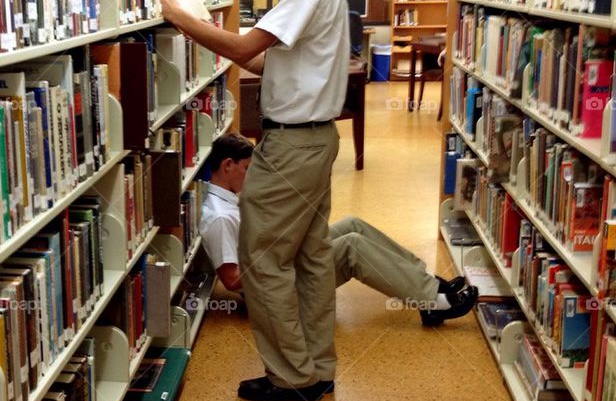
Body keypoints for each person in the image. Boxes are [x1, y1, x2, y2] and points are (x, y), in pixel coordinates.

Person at [162, 0, 348, 401]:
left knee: (261, 257)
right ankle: (316, 365)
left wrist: (181, 18)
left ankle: (293, 375)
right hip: (313, 139)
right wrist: (212, 31)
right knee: (310, 256)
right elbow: (263, 58)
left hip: (294, 146)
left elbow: (245, 43)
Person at [200, 134, 479, 326]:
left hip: (278, 269)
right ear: (227, 165)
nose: (254, 177)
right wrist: (277, 252)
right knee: (351, 246)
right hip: (273, 293)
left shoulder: (227, 201)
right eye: (248, 169)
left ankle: (427, 282)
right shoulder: (220, 217)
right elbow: (232, 280)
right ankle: (433, 302)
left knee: (352, 224)